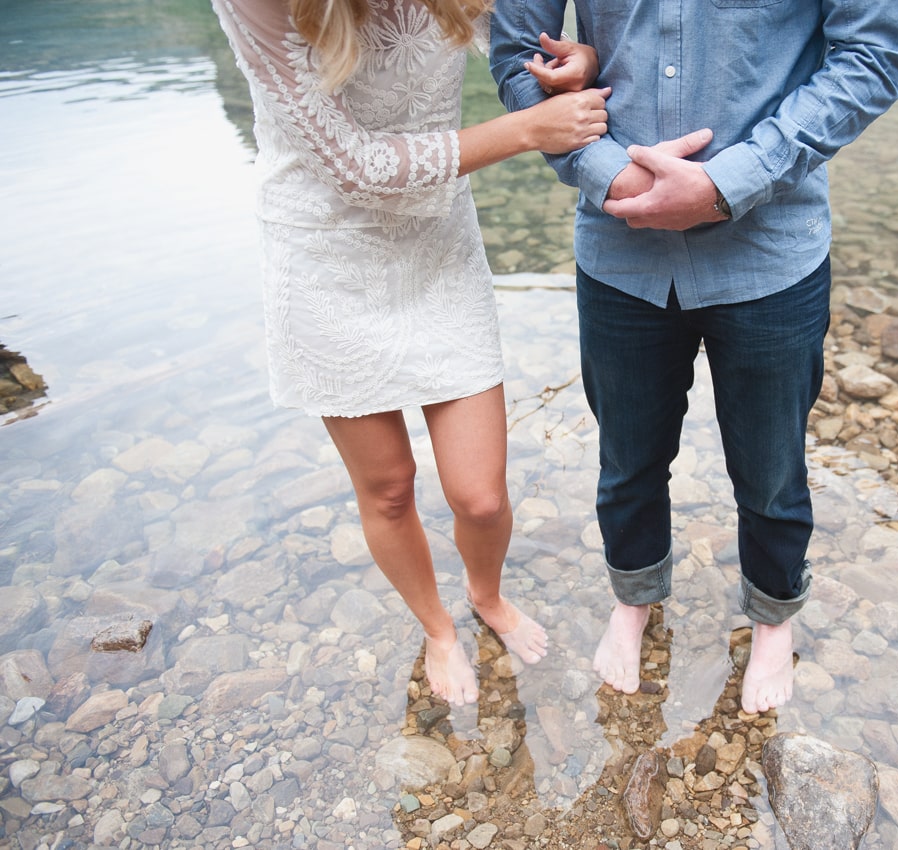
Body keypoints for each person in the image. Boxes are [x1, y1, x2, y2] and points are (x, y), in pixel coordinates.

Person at [491, 0, 898, 713]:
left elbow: (872, 54)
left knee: (772, 468)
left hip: (770, 248)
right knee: (626, 458)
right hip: (618, 250)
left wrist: (731, 182)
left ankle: (773, 618)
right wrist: (608, 174)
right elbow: (514, 55)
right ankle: (633, 599)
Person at [210, 0, 610, 705]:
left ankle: (486, 596)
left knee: (480, 497)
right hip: (323, 252)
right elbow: (353, 164)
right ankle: (438, 630)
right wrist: (524, 130)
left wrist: (571, 57)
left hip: (436, 244)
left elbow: (510, 37)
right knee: (389, 485)